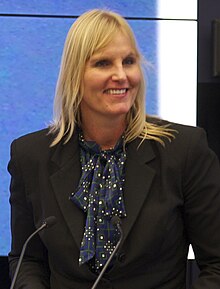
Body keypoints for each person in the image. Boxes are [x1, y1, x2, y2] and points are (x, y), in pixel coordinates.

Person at [8, 8, 220, 289]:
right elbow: (27, 261)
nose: (121, 75)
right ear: (75, 74)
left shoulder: (185, 150)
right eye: (103, 63)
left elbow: (215, 264)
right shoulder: (30, 155)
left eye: (129, 61)